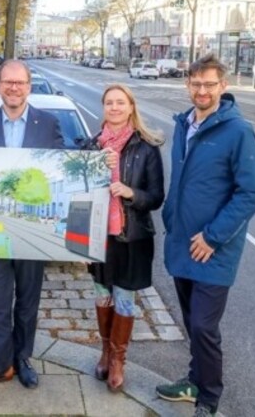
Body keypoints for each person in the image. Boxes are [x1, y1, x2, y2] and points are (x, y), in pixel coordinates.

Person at [155, 53, 255, 417]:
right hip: (182, 241)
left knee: (204, 325)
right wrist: (172, 218)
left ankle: (209, 398)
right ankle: (192, 380)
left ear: (223, 87)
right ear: (188, 85)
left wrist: (213, 237)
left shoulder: (238, 131)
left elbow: (250, 193)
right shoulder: (184, 124)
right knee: (191, 322)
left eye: (210, 84)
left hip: (214, 249)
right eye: (196, 84)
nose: (202, 90)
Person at [0, 59, 64, 391]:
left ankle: (22, 359)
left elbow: (62, 168)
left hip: (33, 229)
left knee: (28, 300)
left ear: (29, 87)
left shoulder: (48, 123)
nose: (14, 88)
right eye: (8, 82)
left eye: (20, 83)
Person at [89, 84, 165, 392]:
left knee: (123, 298)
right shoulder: (92, 145)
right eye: (110, 103)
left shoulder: (146, 147)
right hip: (98, 236)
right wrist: (97, 166)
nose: (115, 107)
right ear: (104, 108)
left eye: (121, 102)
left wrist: (130, 192)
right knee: (101, 295)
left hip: (130, 237)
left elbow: (157, 196)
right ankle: (105, 351)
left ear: (131, 107)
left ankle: (119, 360)